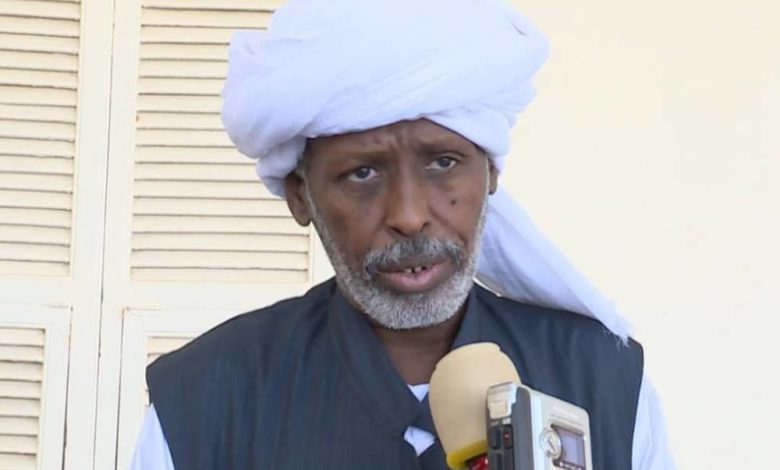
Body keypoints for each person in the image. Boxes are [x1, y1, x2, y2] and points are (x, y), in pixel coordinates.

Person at [131, 0, 675, 468]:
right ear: (301, 196)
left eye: (442, 162)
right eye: (362, 173)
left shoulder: (605, 382)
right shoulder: (206, 398)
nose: (410, 216)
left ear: (490, 174)